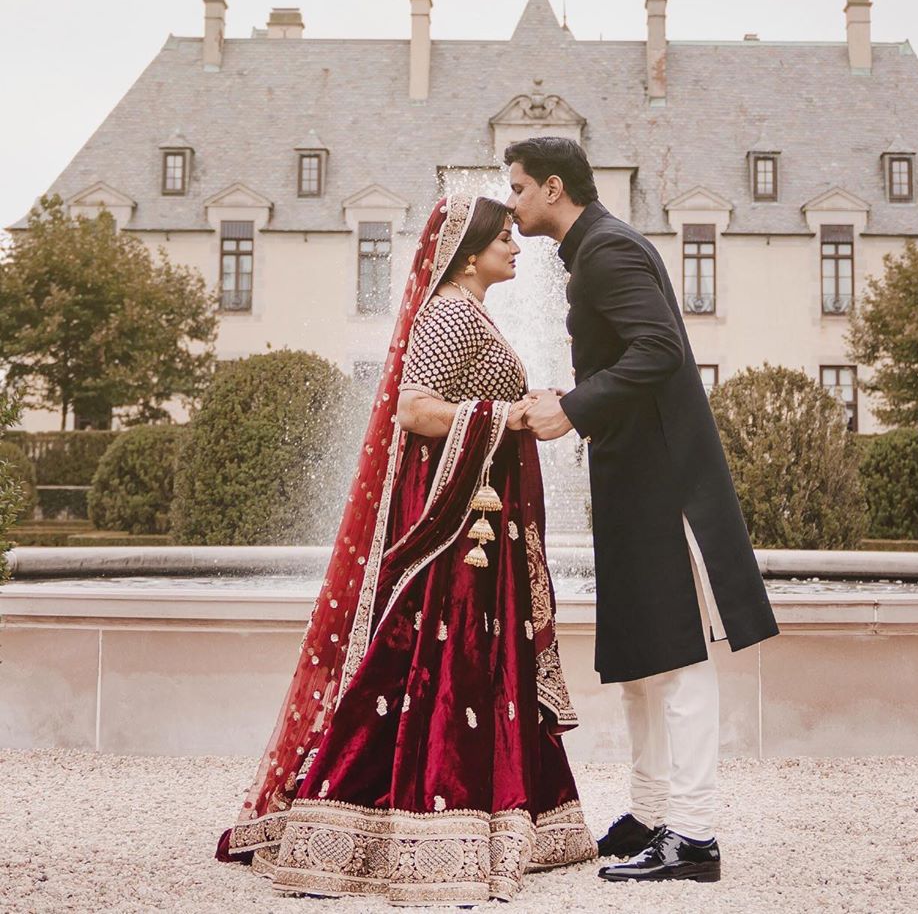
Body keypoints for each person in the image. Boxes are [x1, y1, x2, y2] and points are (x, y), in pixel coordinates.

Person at [215, 191, 597, 904]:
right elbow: (414, 408)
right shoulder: (447, 313)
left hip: (480, 522)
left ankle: (486, 815)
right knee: (442, 660)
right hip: (457, 529)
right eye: (504, 238)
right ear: (470, 253)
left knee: (470, 661)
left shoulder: (471, 312)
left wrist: (520, 408)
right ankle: (404, 821)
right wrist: (507, 415)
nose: (516, 247)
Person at [507, 136, 779, 884]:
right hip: (636, 481)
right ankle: (651, 812)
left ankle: (694, 836)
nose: (512, 203)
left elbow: (660, 349)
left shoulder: (607, 251)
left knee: (679, 658)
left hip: (664, 483)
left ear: (554, 188)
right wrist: (574, 399)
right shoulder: (598, 248)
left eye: (519, 188)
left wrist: (573, 409)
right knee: (640, 658)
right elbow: (631, 356)